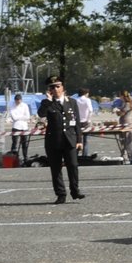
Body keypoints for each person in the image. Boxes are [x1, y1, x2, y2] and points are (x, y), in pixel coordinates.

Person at [37, 76, 85, 204]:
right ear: (49, 90)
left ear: (62, 87)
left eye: (58, 86)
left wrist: (79, 140)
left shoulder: (72, 102)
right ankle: (61, 194)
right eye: (52, 87)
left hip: (70, 140)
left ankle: (75, 190)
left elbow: (77, 123)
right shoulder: (47, 103)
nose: (55, 89)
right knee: (56, 169)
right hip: (54, 141)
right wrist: (48, 101)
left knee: (73, 166)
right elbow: (41, 114)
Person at [115, 89, 132, 163]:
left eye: (120, 96)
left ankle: (128, 156)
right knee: (125, 141)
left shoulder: (126, 103)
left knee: (126, 141)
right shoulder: (128, 102)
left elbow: (122, 113)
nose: (119, 97)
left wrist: (116, 111)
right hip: (127, 121)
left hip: (125, 122)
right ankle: (127, 156)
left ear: (122, 96)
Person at [8, 93, 33, 163]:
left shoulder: (25, 105)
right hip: (16, 126)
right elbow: (14, 118)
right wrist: (22, 117)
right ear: (15, 100)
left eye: (19, 101)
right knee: (14, 143)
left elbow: (27, 116)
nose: (18, 102)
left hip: (24, 127)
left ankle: (25, 157)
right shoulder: (12, 106)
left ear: (21, 100)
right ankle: (13, 158)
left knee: (24, 143)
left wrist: (20, 117)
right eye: (17, 101)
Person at [75, 87, 94, 156]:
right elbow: (90, 110)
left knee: (77, 139)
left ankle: (75, 154)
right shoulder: (87, 100)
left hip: (77, 121)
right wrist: (89, 119)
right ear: (86, 93)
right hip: (85, 121)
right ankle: (84, 155)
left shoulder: (76, 100)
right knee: (86, 140)